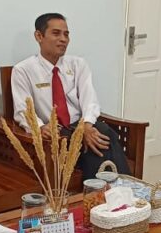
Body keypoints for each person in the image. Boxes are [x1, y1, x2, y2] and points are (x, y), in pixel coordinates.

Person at [11, 13, 131, 176]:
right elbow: (23, 111)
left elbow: (90, 100)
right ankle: (121, 187)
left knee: (101, 134)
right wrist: (39, 127)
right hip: (56, 134)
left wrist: (86, 126)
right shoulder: (23, 70)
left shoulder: (78, 64)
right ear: (39, 36)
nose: (63, 39)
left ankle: (102, 188)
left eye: (66, 34)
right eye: (56, 33)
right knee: (101, 141)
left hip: (80, 126)